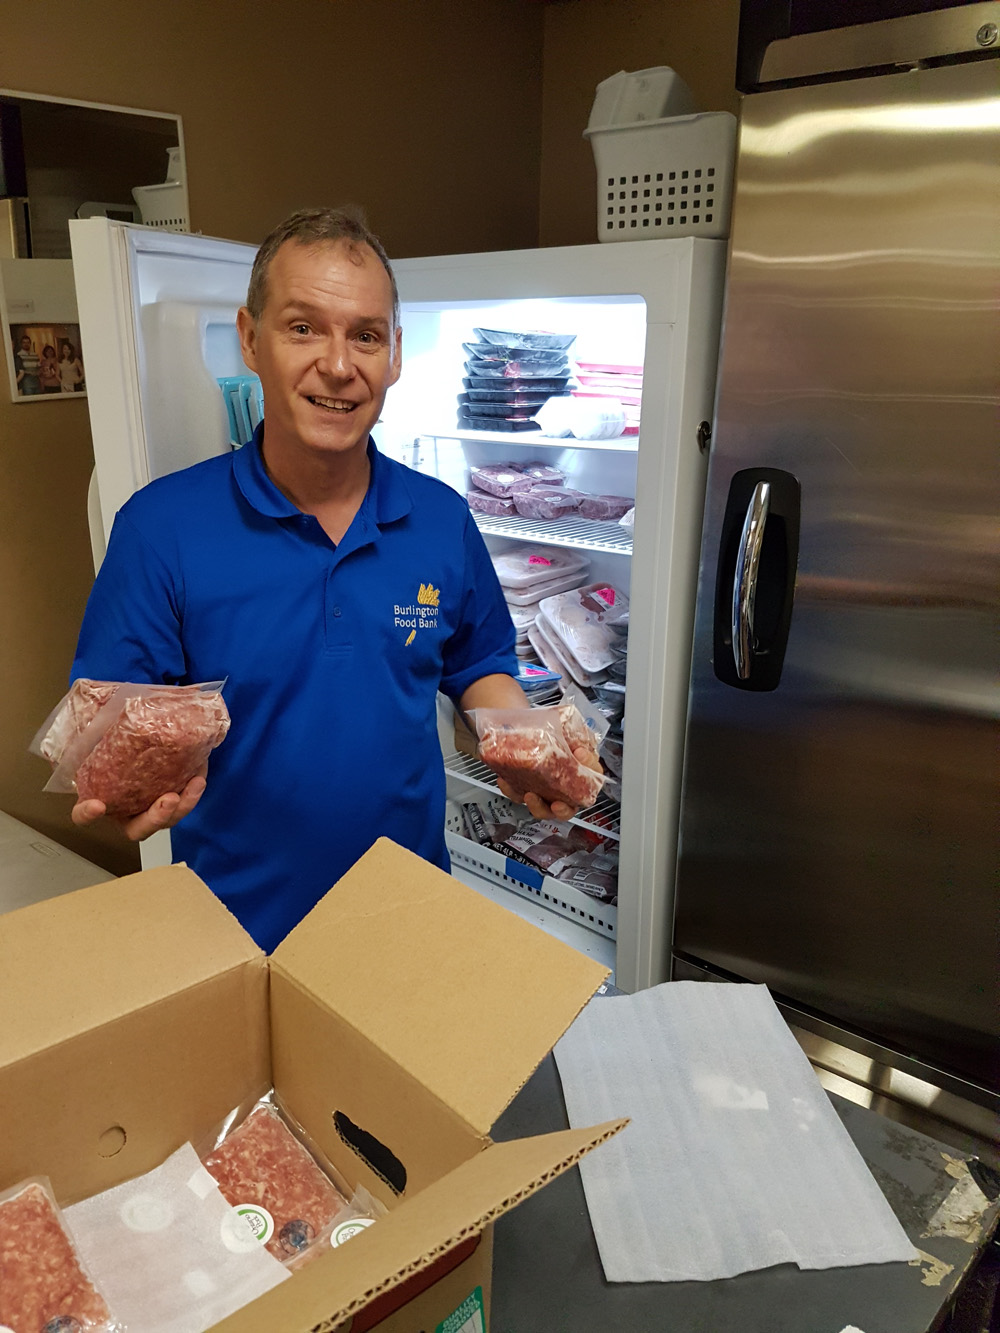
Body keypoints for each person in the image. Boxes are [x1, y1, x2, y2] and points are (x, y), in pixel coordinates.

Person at [70, 207, 599, 951]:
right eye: (303, 327)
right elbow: (116, 716)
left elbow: (480, 667)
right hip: (233, 924)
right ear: (250, 340)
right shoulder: (161, 527)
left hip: (406, 908)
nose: (339, 364)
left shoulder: (441, 519)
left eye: (365, 334)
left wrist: (518, 739)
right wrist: (131, 783)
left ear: (394, 355)